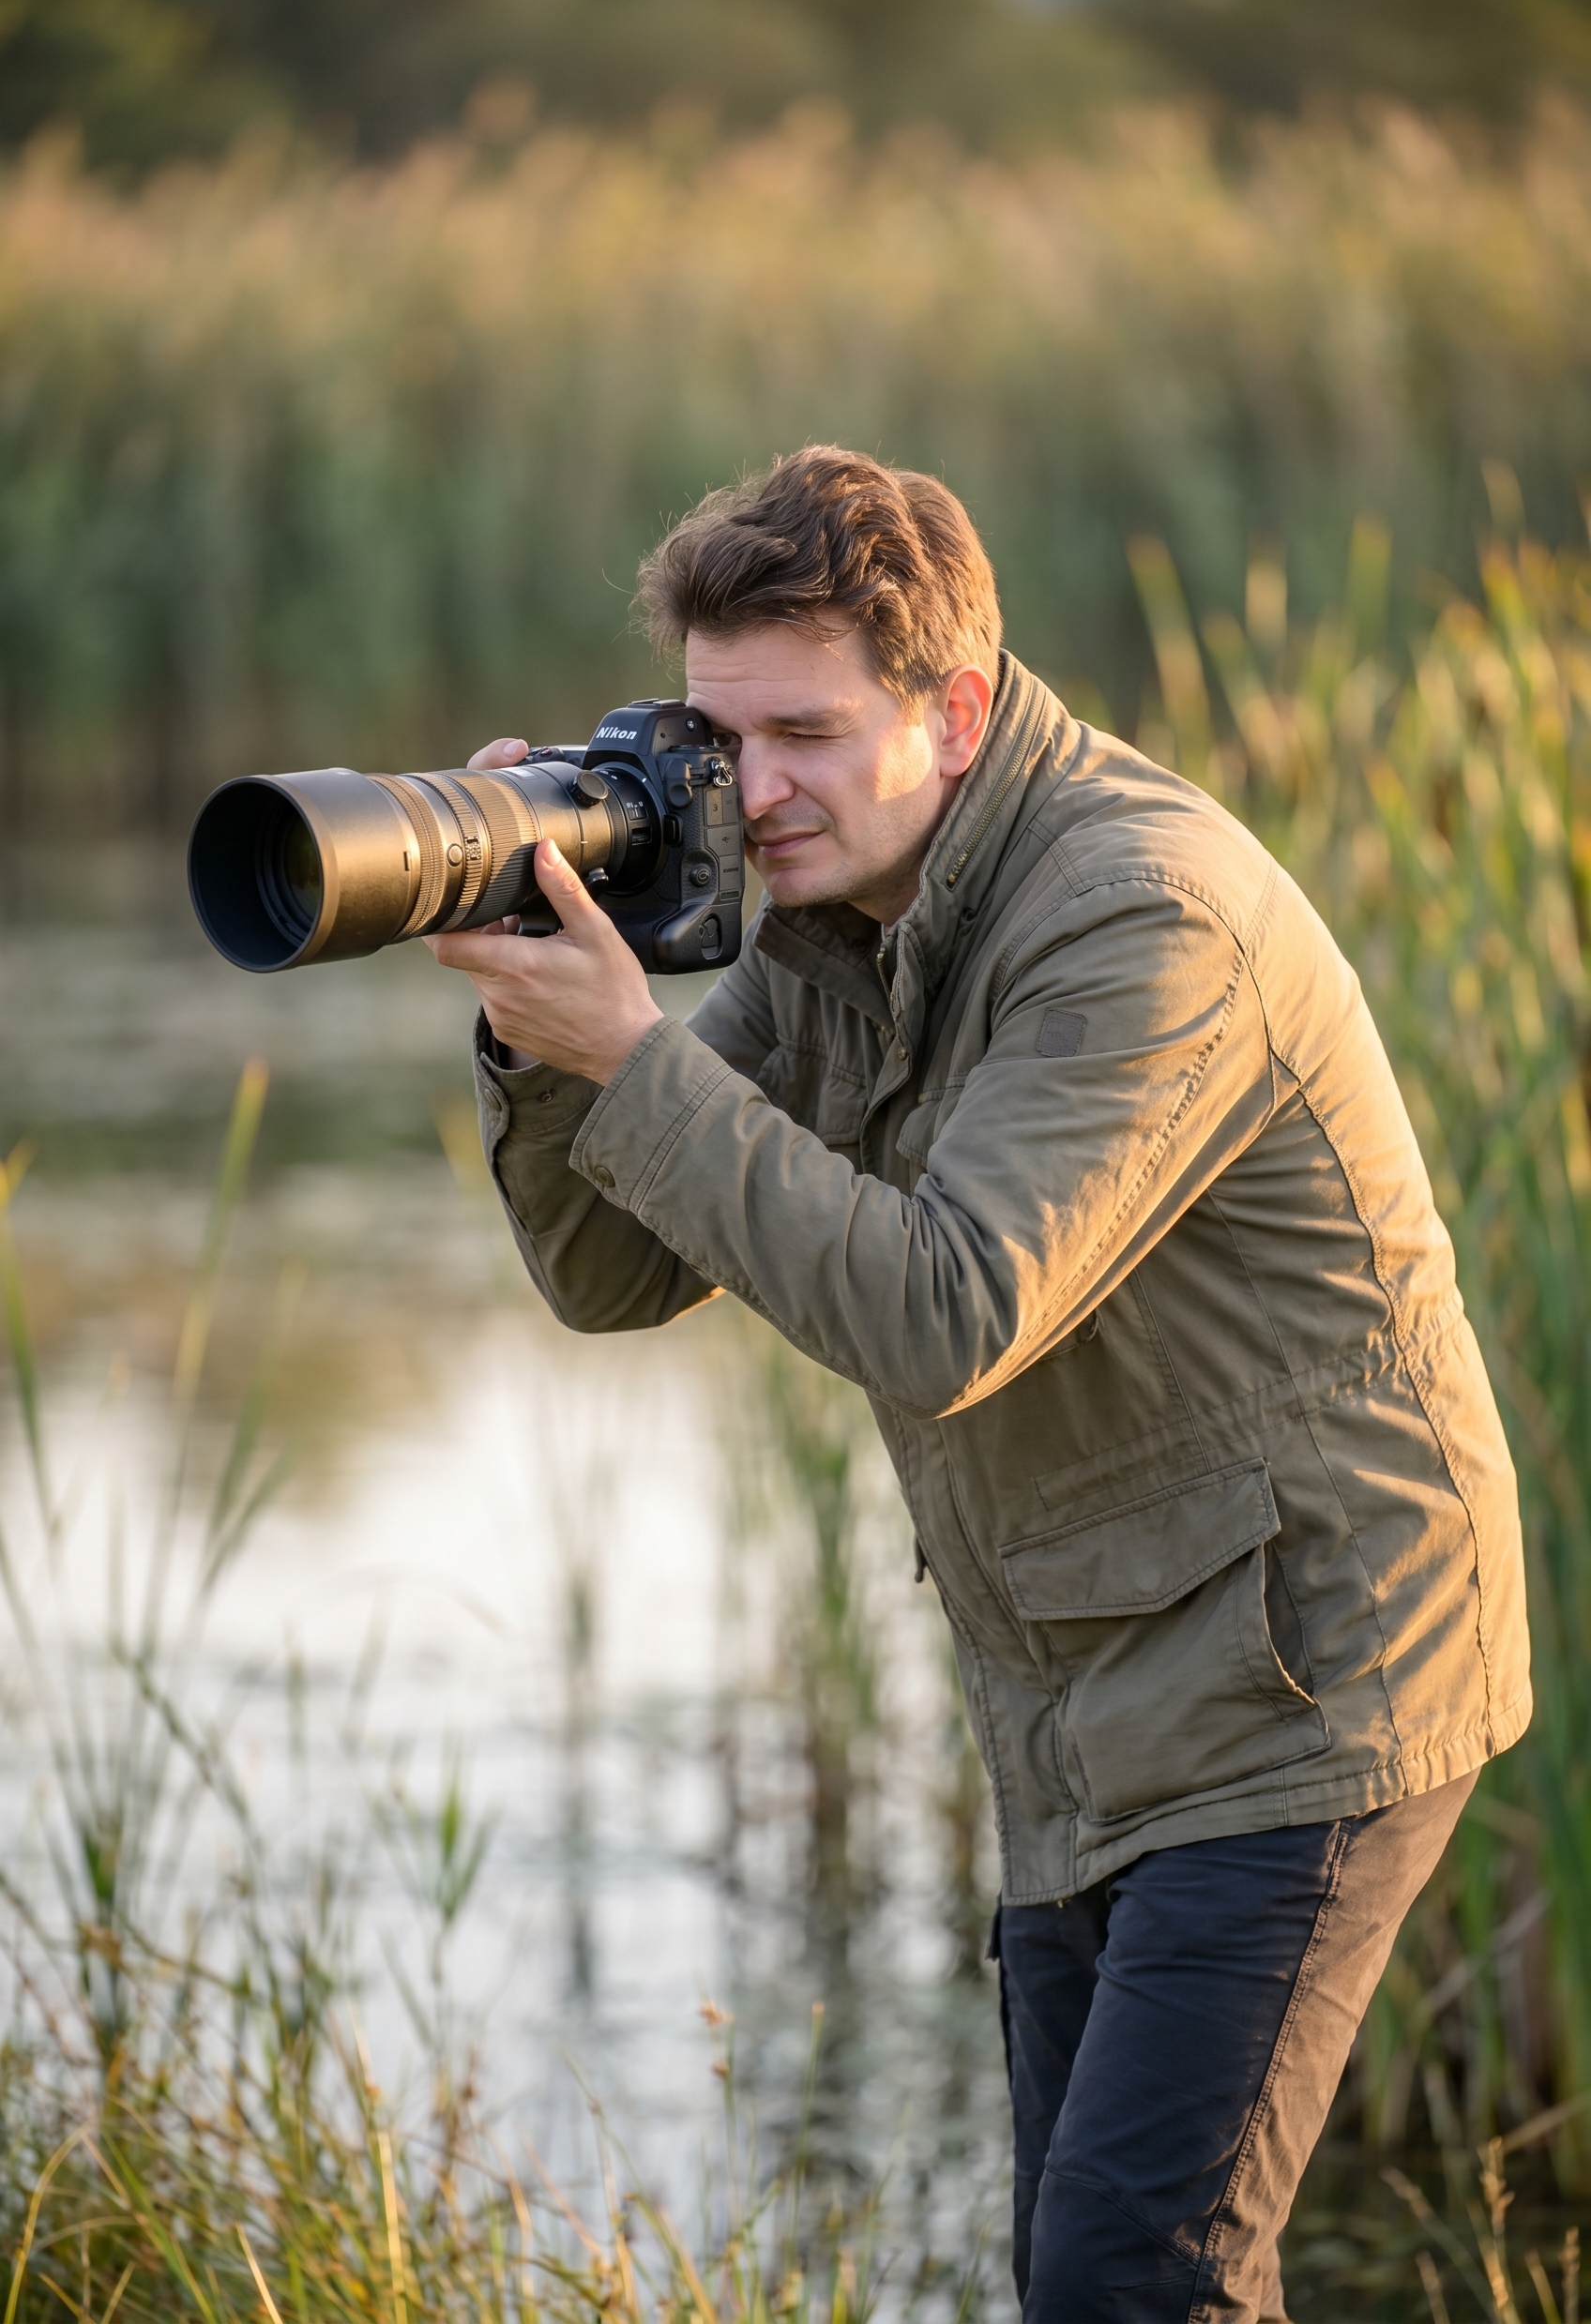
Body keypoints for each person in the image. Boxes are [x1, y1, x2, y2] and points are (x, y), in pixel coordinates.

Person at [428, 446, 1529, 2324]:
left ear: (948, 711)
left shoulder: (1136, 913)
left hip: (1310, 1666)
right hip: (1091, 1688)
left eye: (797, 732)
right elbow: (614, 1273)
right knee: (1083, 2277)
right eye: (714, 731)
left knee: (1132, 2278)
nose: (743, 789)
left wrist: (636, 1064)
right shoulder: (831, 904)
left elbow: (950, 1308)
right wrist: (547, 1035)